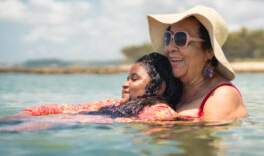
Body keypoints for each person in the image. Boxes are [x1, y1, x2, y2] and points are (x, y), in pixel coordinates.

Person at [0, 53, 182, 124]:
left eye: (134, 79)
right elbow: (70, 109)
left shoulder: (160, 112)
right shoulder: (114, 103)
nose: (125, 84)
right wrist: (26, 114)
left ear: (159, 86)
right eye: (127, 78)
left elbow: (154, 123)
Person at [147, 5, 248, 122]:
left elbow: (205, 135)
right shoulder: (169, 90)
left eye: (181, 39)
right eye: (168, 38)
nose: (170, 48)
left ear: (209, 51)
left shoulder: (223, 95)